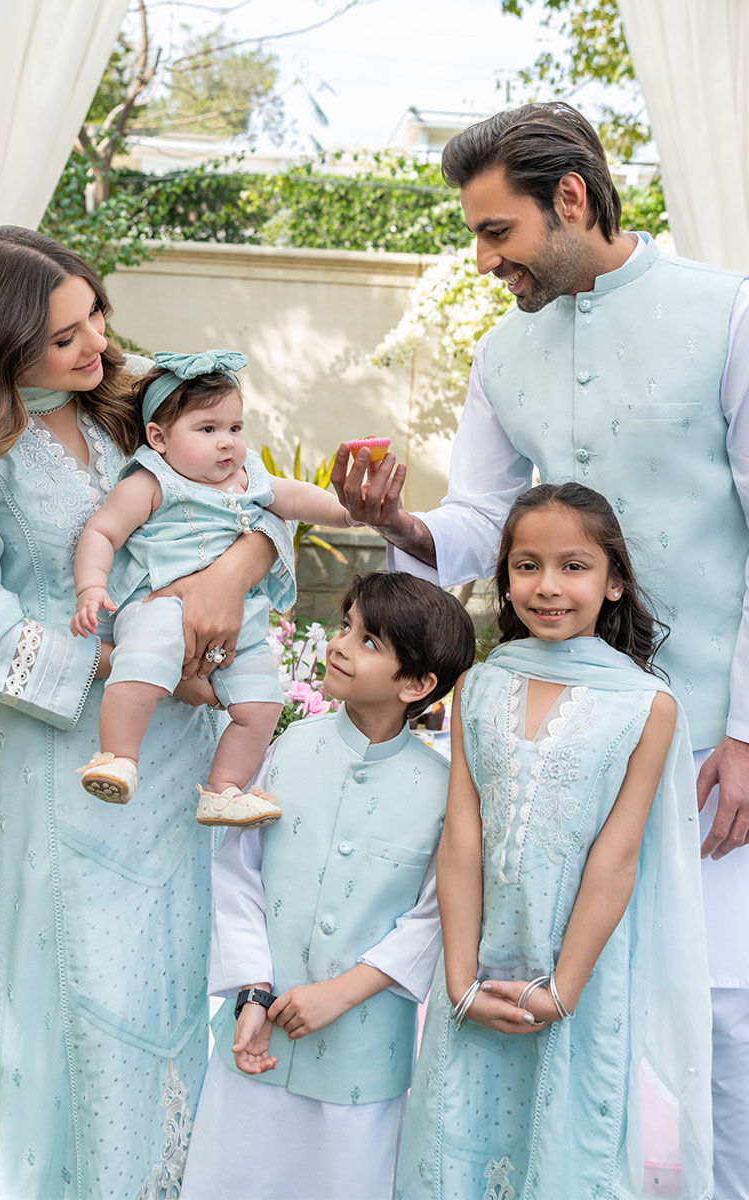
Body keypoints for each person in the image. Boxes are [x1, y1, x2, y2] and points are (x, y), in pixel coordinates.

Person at [332, 102, 749, 1199]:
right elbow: (479, 521)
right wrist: (398, 524)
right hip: (549, 751)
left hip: (710, 743)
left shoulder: (729, 314)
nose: (482, 260)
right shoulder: (502, 353)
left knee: (720, 1018)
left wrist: (748, 734)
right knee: (549, 1012)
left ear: (569, 198)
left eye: (495, 231)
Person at [0, 227, 294, 1200]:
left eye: (94, 313)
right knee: (86, 992)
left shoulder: (138, 398)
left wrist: (228, 576)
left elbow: (253, 496)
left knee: (181, 978)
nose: (96, 343)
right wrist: (134, 661)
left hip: (188, 755)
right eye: (64, 337)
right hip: (65, 762)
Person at [396, 483, 712, 1199]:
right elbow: (462, 838)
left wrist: (563, 990)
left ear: (614, 581)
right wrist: (460, 982)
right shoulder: (480, 685)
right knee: (455, 1146)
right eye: (527, 565)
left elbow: (617, 858)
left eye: (574, 566)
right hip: (476, 970)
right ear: (505, 578)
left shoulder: (647, 705)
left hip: (578, 977)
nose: (547, 586)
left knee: (564, 1149)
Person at [179, 572, 476, 1200]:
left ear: (417, 684)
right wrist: (252, 991)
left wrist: (340, 994)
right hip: (255, 1041)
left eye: (368, 640)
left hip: (361, 1063)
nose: (339, 644)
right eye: (346, 626)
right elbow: (237, 872)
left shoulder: (444, 791)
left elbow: (435, 918)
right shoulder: (286, 747)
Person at [71, 348, 351, 828]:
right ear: (159, 438)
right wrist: (90, 587)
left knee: (262, 704)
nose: (227, 443)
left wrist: (348, 513)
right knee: (142, 663)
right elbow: (103, 531)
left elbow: (295, 496)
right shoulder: (151, 481)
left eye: (235, 428)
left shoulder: (247, 477)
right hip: (161, 606)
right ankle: (117, 757)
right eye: (207, 429)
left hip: (239, 622)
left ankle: (223, 789)